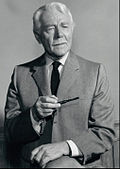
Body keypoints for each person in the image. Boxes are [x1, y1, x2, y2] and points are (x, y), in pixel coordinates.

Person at [4, 2, 115, 168]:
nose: (59, 34)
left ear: (72, 29)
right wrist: (34, 115)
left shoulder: (96, 72)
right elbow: (10, 133)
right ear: (37, 36)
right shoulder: (20, 74)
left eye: (64, 26)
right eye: (50, 28)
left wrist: (65, 147)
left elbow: (105, 133)